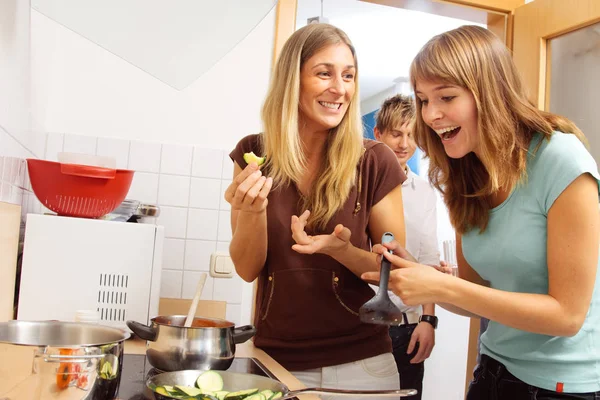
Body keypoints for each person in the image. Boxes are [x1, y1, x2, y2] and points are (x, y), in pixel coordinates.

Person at [362, 25, 600, 399]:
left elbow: (567, 316)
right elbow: (476, 296)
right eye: (424, 100)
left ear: (491, 93)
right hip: (492, 370)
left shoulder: (559, 160)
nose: (431, 114)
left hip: (561, 386)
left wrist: (441, 285)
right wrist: (424, 278)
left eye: (446, 97)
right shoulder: (463, 175)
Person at [224, 23, 407, 394]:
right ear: (293, 80)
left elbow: (396, 273)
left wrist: (342, 251)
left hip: (362, 367)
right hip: (273, 364)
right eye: (324, 73)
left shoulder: (375, 161)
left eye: (349, 76)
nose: (339, 88)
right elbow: (246, 268)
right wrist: (253, 211)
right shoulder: (255, 155)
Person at [373, 94, 440, 399]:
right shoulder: (358, 184)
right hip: (361, 327)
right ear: (378, 135)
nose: (404, 143)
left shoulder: (425, 192)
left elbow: (428, 259)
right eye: (396, 134)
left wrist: (428, 319)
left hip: (406, 328)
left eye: (412, 134)